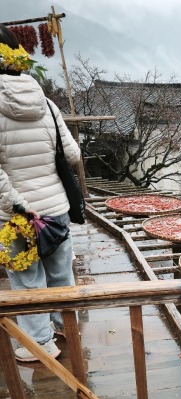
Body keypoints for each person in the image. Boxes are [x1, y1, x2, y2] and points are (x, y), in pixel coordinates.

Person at [0, 24, 81, 362]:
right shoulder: (46, 102)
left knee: (27, 280)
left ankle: (39, 344)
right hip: (56, 208)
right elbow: (73, 154)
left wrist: (17, 204)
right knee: (61, 273)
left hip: (16, 216)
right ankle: (66, 327)